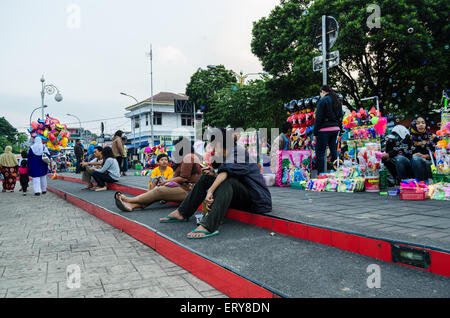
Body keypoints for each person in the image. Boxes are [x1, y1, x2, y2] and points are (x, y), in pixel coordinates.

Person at [160, 128, 272, 239]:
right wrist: (213, 173)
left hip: (256, 200)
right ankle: (182, 212)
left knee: (227, 181)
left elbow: (226, 173)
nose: (213, 149)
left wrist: (210, 191)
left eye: (214, 145)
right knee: (206, 177)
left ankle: (209, 225)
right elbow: (227, 173)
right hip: (239, 195)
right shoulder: (225, 155)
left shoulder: (238, 152)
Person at [115, 137, 202, 212]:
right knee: (158, 191)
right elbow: (178, 177)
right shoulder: (185, 158)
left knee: (159, 191)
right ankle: (131, 206)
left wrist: (166, 182)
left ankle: (128, 200)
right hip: (184, 188)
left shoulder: (188, 157)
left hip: (189, 191)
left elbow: (184, 178)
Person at [313, 85, 343, 174]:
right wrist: (339, 128)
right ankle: (337, 173)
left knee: (320, 154)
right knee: (334, 152)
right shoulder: (337, 100)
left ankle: (321, 175)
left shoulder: (322, 101)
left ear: (323, 91)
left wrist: (315, 133)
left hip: (324, 130)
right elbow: (340, 116)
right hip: (335, 129)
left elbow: (318, 118)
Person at [409, 116, 439, 182]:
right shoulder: (409, 137)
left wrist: (425, 156)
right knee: (416, 158)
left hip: (430, 163)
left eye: (423, 123)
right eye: (418, 123)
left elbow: (439, 150)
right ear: (414, 125)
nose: (421, 125)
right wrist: (415, 156)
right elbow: (404, 151)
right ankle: (420, 183)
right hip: (414, 165)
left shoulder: (432, 137)